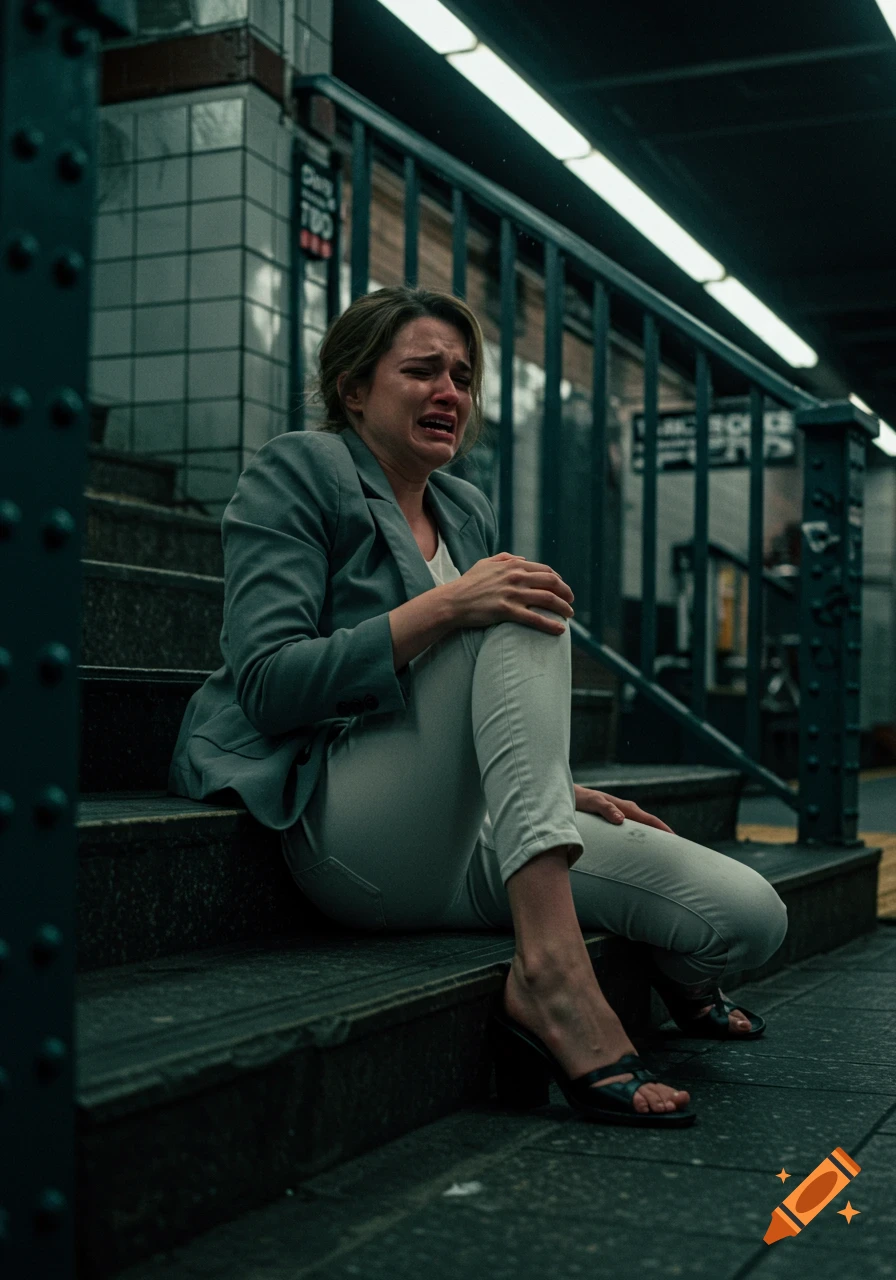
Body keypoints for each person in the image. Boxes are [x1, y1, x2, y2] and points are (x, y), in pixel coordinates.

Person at [168, 285, 788, 1129]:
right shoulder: (298, 470)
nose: (450, 393)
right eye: (421, 370)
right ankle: (553, 975)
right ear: (353, 389)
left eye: (462, 376)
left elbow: (481, 709)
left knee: (747, 918)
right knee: (520, 603)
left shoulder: (463, 505)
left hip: (478, 836)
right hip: (351, 830)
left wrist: (553, 789)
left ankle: (616, 951)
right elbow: (269, 684)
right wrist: (448, 608)